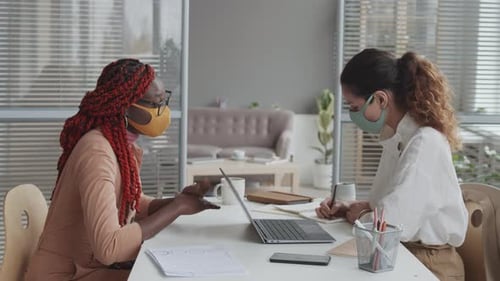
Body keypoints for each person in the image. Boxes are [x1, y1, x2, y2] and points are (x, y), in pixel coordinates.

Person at [25, 58, 220, 281]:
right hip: (66, 275)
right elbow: (109, 248)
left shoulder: (119, 145)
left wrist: (176, 202)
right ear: (125, 106)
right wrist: (176, 208)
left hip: (87, 267)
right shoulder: (97, 154)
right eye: (155, 105)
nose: (163, 111)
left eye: (163, 101)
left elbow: (132, 202)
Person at [315, 48, 468, 281]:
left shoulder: (424, 142)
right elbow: (396, 204)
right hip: (401, 252)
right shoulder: (396, 138)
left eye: (355, 107)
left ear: (380, 99)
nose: (353, 114)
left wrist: (362, 215)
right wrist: (350, 207)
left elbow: (393, 224)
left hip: (430, 264)